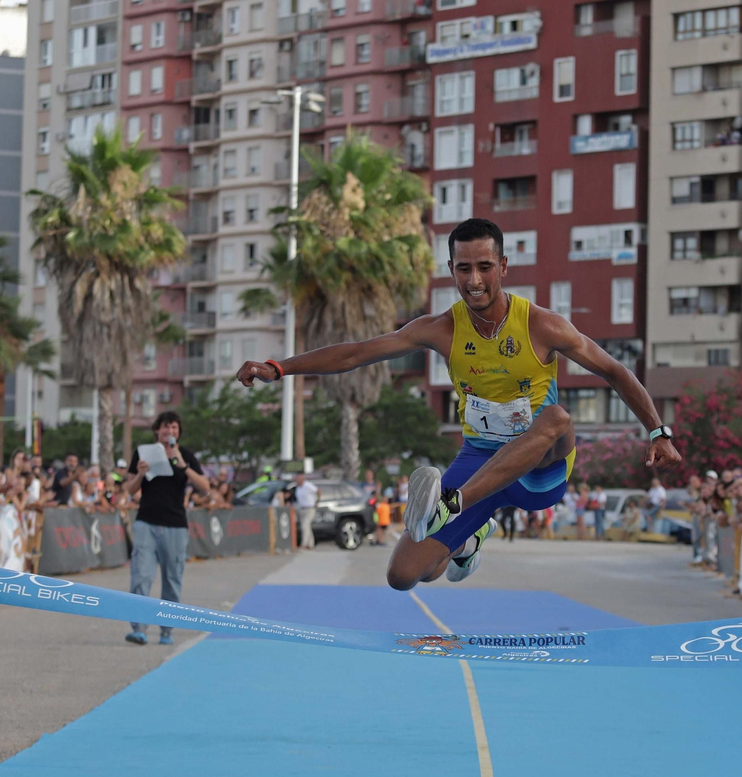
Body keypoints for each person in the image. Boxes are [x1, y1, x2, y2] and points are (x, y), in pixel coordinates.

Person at [235, 217, 681, 590]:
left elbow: (615, 371)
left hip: (540, 467)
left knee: (557, 417)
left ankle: (453, 506)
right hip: (480, 460)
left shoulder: (544, 326)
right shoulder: (442, 329)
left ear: (503, 266)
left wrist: (658, 431)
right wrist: (280, 367)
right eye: (463, 268)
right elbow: (358, 352)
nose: (474, 281)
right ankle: (469, 538)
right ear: (450, 268)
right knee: (405, 575)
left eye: (485, 267)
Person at [121, 410, 211, 646]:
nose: (169, 432)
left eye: (173, 428)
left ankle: (166, 631)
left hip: (175, 525)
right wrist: (141, 474)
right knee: (141, 575)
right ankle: (139, 628)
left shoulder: (187, 456)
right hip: (146, 521)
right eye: (165, 427)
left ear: (178, 432)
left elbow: (206, 488)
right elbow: (128, 490)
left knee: (172, 579)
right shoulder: (143, 453)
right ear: (157, 430)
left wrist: (184, 466)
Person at [292, 472, 319, 549]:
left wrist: (317, 502)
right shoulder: (298, 487)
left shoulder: (308, 485)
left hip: (310, 508)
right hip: (301, 509)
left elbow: (318, 491)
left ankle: (304, 544)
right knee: (307, 527)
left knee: (305, 525)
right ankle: (310, 544)